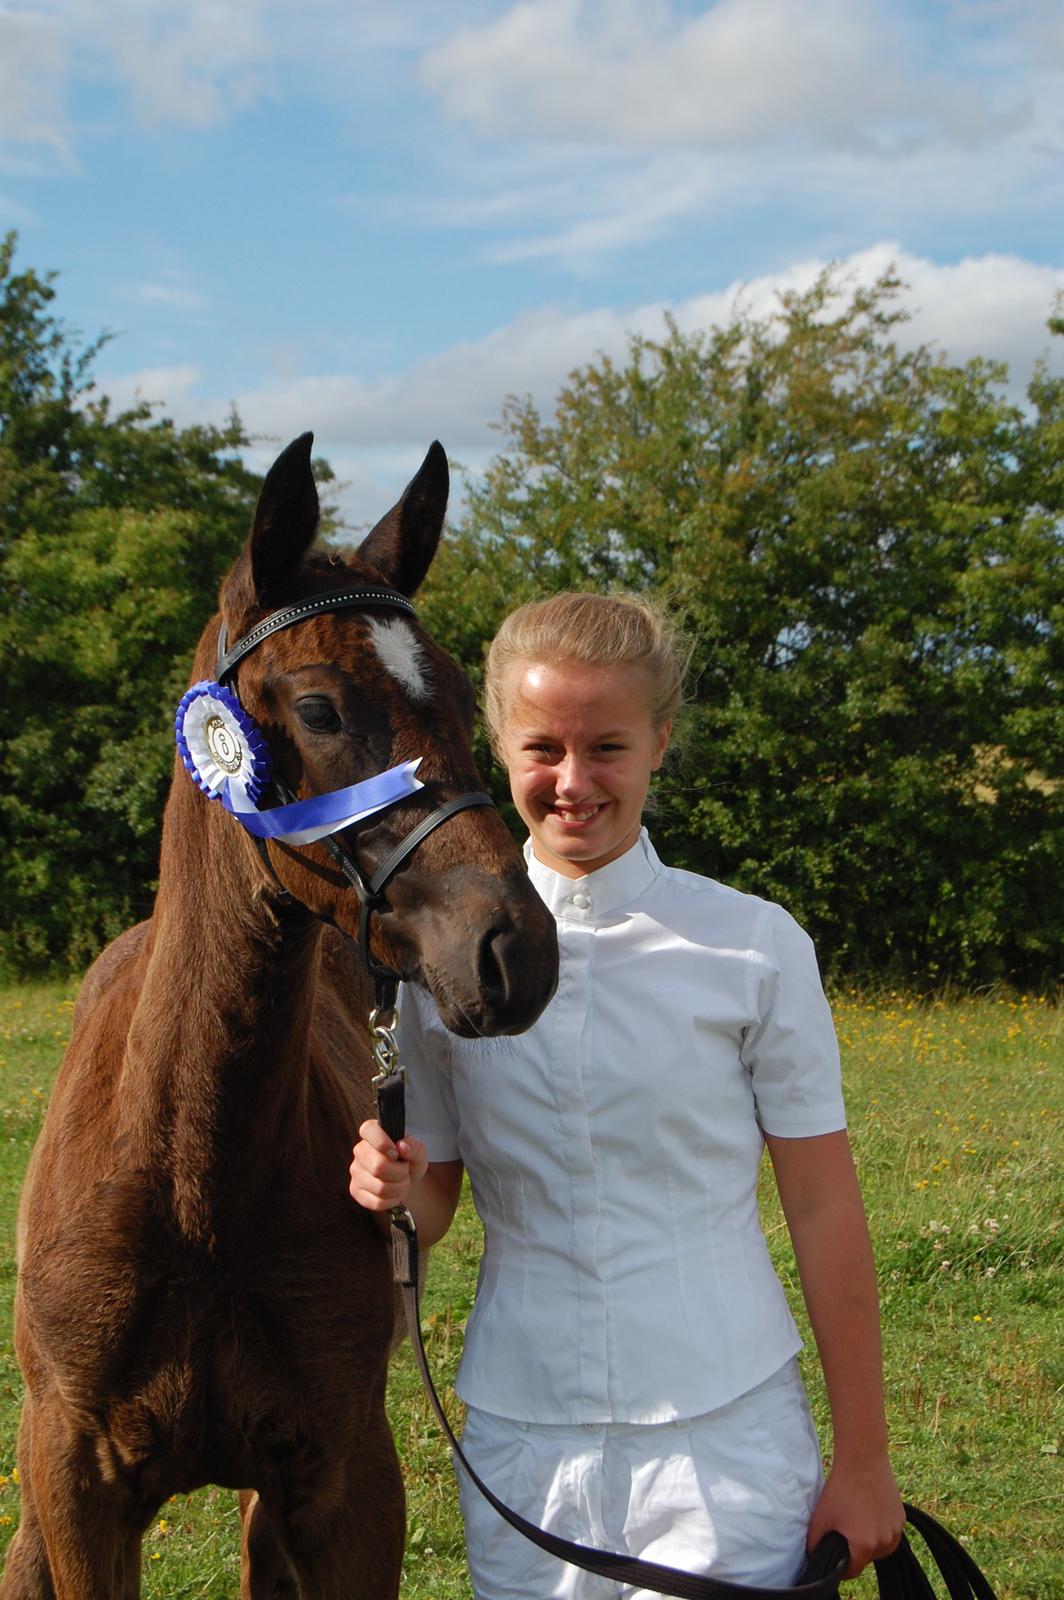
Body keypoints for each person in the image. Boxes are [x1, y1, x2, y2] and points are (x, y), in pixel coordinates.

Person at [350, 592, 904, 1598]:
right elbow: (432, 1211)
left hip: (724, 1435)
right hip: (524, 1445)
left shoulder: (752, 945)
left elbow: (823, 1208)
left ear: (659, 739)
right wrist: (395, 1186)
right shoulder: (440, 965)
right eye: (541, 748)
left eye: (605, 745)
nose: (571, 781)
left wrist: (863, 1462)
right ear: (494, 747)